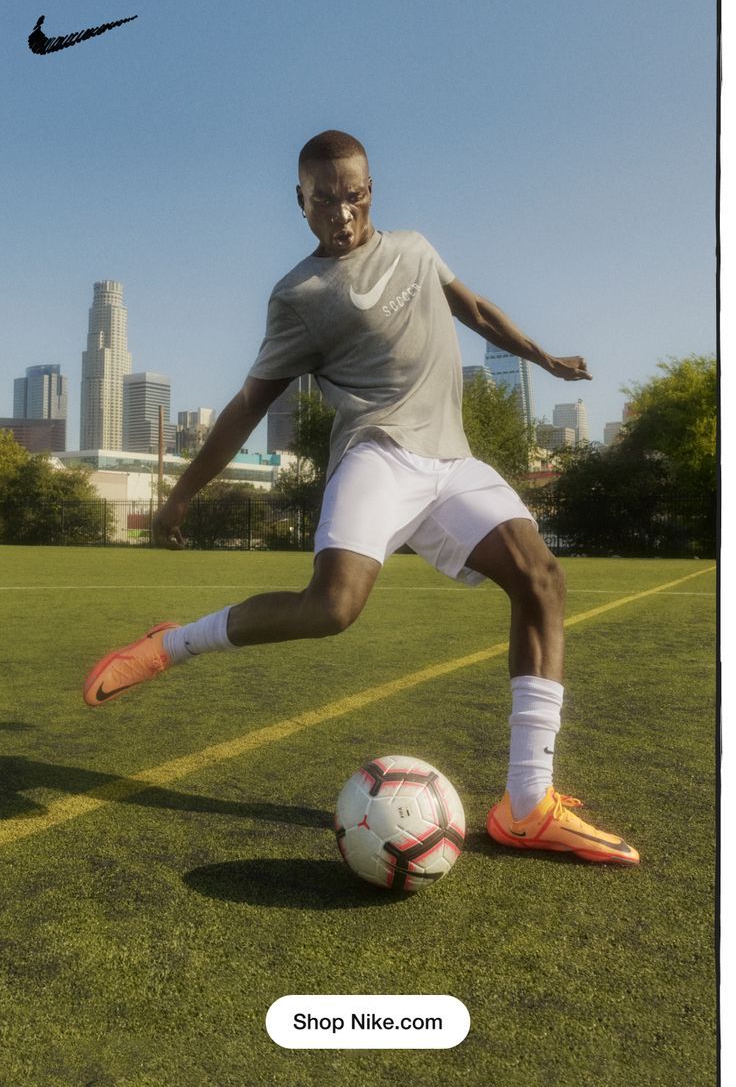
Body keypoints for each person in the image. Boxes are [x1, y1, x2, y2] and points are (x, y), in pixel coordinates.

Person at [84, 130, 638, 866]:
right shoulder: (298, 297)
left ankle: (528, 805)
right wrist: (182, 495)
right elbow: (249, 404)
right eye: (325, 201)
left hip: (449, 457)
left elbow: (472, 307)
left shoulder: (413, 247)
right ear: (301, 203)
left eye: (355, 195)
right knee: (332, 609)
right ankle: (170, 644)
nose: (343, 213)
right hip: (376, 453)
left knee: (541, 578)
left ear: (371, 189)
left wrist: (544, 356)